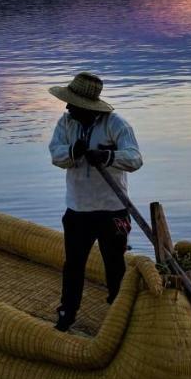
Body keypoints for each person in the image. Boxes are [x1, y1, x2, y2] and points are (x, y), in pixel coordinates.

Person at [48, 72, 143, 332]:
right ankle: (67, 312)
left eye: (72, 103)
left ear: (86, 106)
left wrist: (108, 156)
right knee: (74, 265)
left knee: (115, 264)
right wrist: (73, 152)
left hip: (113, 211)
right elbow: (55, 153)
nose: (67, 107)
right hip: (78, 210)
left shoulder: (116, 125)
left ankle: (120, 312)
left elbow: (135, 159)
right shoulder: (66, 124)